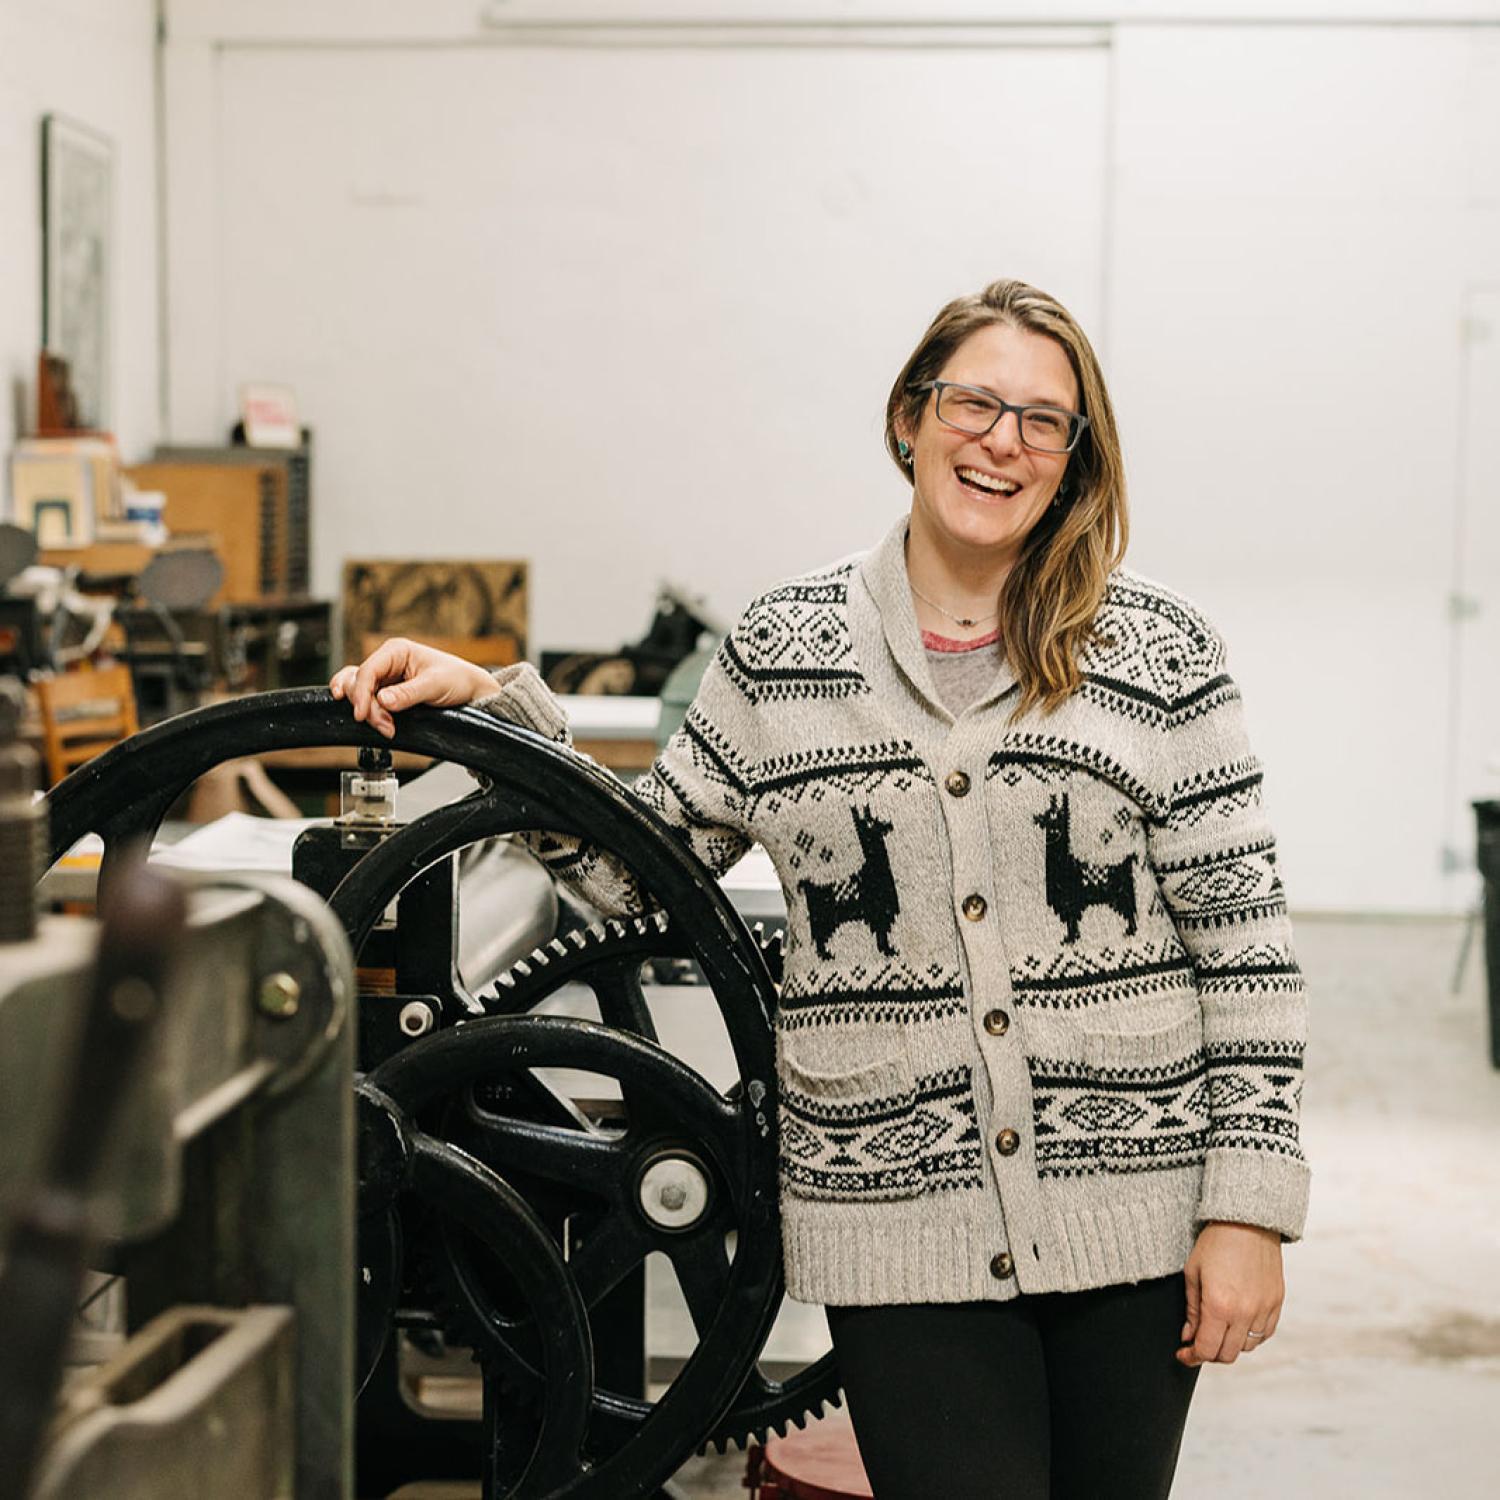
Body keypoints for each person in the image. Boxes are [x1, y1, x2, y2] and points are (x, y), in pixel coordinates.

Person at [332, 277, 1309, 1499]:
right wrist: (504, 718)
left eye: (1044, 421)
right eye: (973, 403)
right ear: (909, 418)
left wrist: (1250, 1209)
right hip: (896, 1216)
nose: (1002, 441)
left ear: (1075, 458)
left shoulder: (1159, 650)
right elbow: (649, 874)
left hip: (1135, 1212)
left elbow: (1248, 946)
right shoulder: (784, 648)